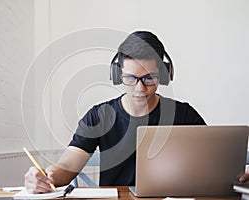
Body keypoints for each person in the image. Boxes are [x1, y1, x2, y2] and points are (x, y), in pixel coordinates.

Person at [24, 30, 209, 194]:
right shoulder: (99, 116)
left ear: (163, 74)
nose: (140, 88)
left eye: (149, 78)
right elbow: (67, 165)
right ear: (117, 75)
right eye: (130, 78)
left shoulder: (183, 114)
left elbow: (213, 160)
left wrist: (237, 171)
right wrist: (47, 177)